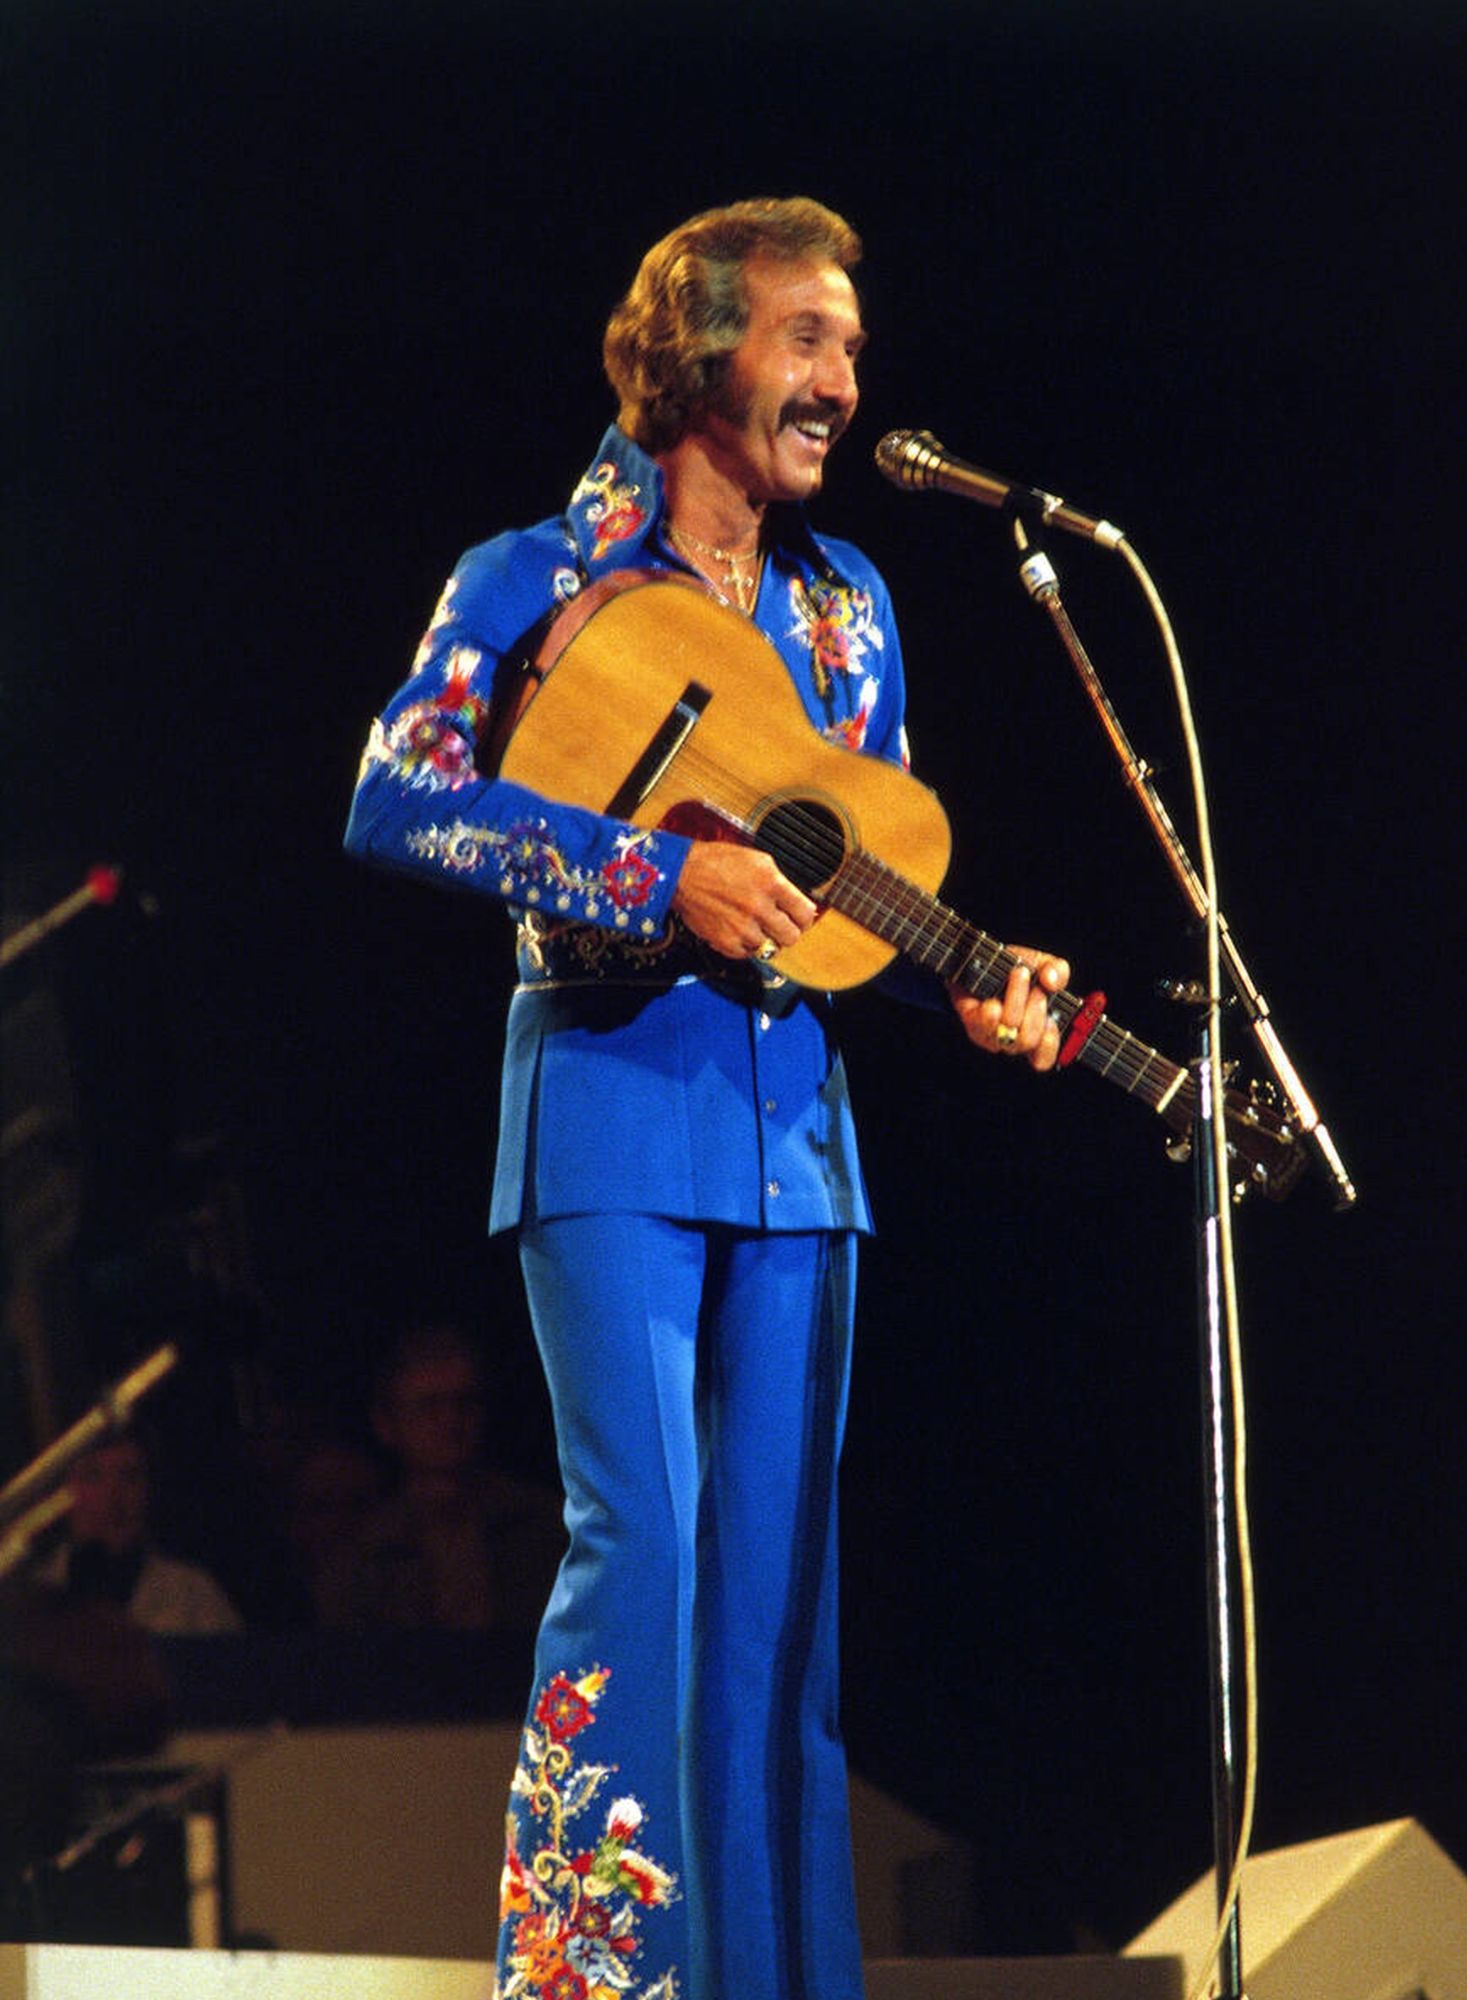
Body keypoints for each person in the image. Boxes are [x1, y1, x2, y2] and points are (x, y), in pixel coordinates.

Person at [344, 196, 1068, 2000]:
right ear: (697, 356)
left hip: (802, 1147)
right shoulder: (532, 574)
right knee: (645, 1557)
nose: (844, 378)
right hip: (607, 1105)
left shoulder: (847, 608)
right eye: (807, 337)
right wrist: (658, 875)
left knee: (778, 1619)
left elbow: (854, 888)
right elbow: (396, 797)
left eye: (853, 344)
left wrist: (968, 977)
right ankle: (593, 1985)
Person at [318, 1321, 565, 1632]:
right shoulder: (361, 1554)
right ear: (386, 1422)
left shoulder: (545, 1527)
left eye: (465, 1403)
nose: (451, 1421)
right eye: (429, 1406)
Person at [32, 1431, 243, 1638]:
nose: (113, 1496)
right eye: (93, 1476)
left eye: (130, 1477)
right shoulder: (33, 1595)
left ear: (149, 1491)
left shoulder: (193, 1595)